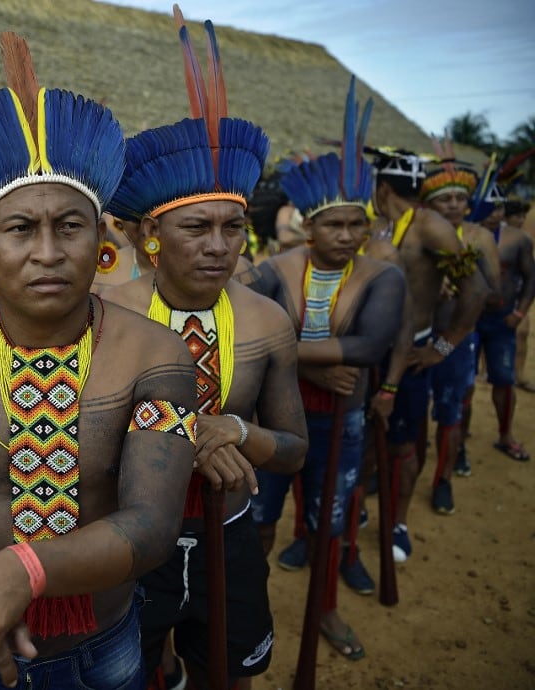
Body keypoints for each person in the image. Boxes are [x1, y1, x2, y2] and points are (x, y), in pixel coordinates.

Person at [0, 32, 202, 690]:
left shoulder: (157, 355)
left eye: (70, 227)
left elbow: (150, 526)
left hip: (103, 648)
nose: (48, 252)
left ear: (101, 239)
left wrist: (15, 572)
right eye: (21, 228)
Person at [102, 16, 308, 689]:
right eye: (197, 227)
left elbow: (294, 450)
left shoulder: (267, 322)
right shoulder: (107, 315)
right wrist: (189, 436)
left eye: (233, 227)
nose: (219, 246)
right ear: (151, 233)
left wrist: (237, 431)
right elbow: (82, 434)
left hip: (231, 530)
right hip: (131, 536)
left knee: (228, 675)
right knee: (134, 673)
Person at [247, 77, 405, 662]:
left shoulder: (383, 276)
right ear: (308, 227)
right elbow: (252, 337)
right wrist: (310, 371)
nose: (346, 236)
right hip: (275, 414)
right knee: (260, 517)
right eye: (334, 226)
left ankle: (326, 608)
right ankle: (251, 601)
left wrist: (287, 351)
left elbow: (368, 347)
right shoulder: (274, 269)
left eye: (356, 225)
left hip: (344, 416)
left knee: (329, 521)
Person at [366, 146, 485, 561]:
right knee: (364, 437)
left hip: (413, 351)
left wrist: (442, 346)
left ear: (382, 187)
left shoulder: (430, 226)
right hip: (366, 351)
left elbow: (475, 290)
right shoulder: (373, 223)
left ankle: (397, 522)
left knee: (402, 444)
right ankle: (357, 510)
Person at [418, 144, 500, 510]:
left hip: (455, 341)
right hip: (418, 338)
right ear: (428, 204)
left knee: (450, 411)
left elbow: (493, 295)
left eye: (459, 198)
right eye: (444, 198)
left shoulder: (478, 237)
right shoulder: (415, 234)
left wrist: (460, 286)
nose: (453, 205)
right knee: (413, 412)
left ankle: (444, 479)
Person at [469, 182, 535, 461]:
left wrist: (519, 313)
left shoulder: (517, 239)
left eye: (499, 208)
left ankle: (505, 435)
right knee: (463, 382)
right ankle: (456, 437)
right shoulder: (461, 235)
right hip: (465, 324)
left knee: (505, 380)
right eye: (489, 207)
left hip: (502, 323)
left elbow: (531, 277)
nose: (495, 213)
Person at [505, 199, 535, 392]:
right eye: (517, 216)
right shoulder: (487, 236)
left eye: (523, 216)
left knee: (521, 332)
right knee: (470, 334)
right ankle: (481, 371)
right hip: (490, 298)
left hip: (515, 293)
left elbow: (530, 275)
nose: (522, 220)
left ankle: (517, 375)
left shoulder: (524, 240)